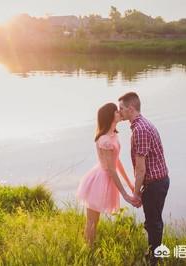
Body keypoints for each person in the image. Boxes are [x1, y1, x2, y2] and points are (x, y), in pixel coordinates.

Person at [118, 92, 170, 265]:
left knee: (153, 222)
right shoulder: (143, 124)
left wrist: (136, 193)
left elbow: (141, 169)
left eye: (121, 109)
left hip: (155, 184)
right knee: (154, 221)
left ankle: (154, 259)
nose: (120, 112)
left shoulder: (140, 130)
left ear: (131, 108)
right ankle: (155, 255)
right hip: (159, 181)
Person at [76, 102, 138, 247]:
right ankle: (88, 251)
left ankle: (90, 247)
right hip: (99, 180)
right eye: (116, 111)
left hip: (108, 177)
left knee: (94, 220)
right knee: (92, 220)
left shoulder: (113, 135)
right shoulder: (104, 140)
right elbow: (111, 169)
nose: (119, 112)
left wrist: (129, 183)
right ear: (110, 116)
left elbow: (117, 162)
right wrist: (125, 194)